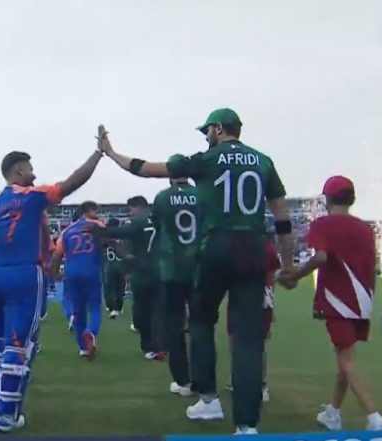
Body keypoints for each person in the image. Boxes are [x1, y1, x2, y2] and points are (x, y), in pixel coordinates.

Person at [96, 108, 295, 435]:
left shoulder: (206, 160)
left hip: (215, 246)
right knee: (248, 338)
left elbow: (145, 169)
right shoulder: (263, 161)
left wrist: (110, 151)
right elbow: (282, 218)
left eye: (208, 131)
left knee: (201, 322)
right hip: (253, 249)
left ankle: (208, 398)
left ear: (219, 128)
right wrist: (287, 265)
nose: (206, 136)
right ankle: (247, 425)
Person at [0, 149, 102, 433]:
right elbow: (73, 182)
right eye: (30, 168)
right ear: (18, 171)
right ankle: (7, 414)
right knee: (19, 344)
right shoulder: (33, 197)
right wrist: (98, 154)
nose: (34, 173)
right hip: (23, 274)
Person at [280, 176, 382, 431]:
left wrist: (295, 275)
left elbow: (320, 257)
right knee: (346, 357)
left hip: (338, 300)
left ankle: (376, 419)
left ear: (327, 199)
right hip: (362, 301)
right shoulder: (365, 228)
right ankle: (334, 412)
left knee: (346, 362)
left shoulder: (323, 225)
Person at [91, 196, 166, 361]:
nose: (130, 213)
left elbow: (123, 232)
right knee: (159, 309)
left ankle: (150, 346)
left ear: (137, 207)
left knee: (143, 310)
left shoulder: (138, 221)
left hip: (143, 270)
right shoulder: (160, 219)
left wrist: (99, 230)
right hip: (162, 270)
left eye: (130, 209)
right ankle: (162, 345)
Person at [151, 167, 198, 396]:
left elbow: (159, 229)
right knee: (201, 326)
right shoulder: (202, 195)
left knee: (174, 326)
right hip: (199, 267)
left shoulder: (162, 197)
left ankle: (183, 382)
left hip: (171, 268)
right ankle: (203, 381)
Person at [226, 234, 281, 403]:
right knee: (258, 344)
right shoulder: (269, 248)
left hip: (243, 298)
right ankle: (258, 385)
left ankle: (243, 382)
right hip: (263, 300)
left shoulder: (236, 244)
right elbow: (273, 277)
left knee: (237, 340)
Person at [50, 201, 105, 359]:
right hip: (91, 270)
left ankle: (82, 347)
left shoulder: (67, 231)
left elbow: (57, 255)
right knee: (94, 307)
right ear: (89, 211)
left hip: (72, 272)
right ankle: (91, 332)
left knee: (78, 310)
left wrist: (54, 273)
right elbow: (110, 241)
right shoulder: (97, 225)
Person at [103, 218, 126, 319]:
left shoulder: (108, 236)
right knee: (119, 287)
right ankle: (118, 307)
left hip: (111, 264)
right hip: (120, 264)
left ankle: (113, 308)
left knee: (110, 287)